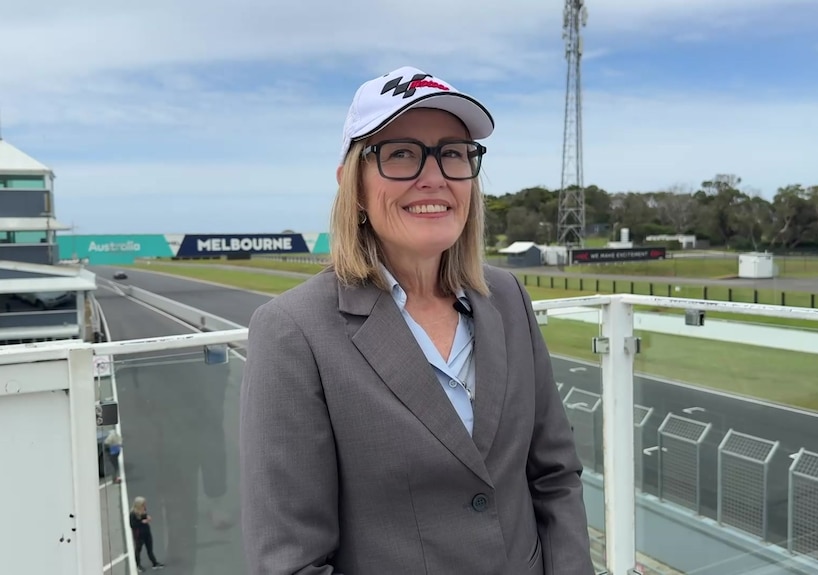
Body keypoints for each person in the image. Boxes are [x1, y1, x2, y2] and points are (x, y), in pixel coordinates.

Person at [240, 65, 594, 575]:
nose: (434, 177)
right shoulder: (293, 331)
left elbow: (555, 475)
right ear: (353, 184)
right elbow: (292, 561)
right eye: (401, 154)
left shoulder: (508, 298)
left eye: (453, 153)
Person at [129, 496, 166, 571]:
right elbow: (132, 524)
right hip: (139, 535)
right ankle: (138, 565)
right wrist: (142, 522)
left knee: (150, 549)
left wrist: (147, 517)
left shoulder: (143, 510)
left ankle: (154, 563)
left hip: (146, 532)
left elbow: (144, 516)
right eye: (143, 504)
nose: (145, 506)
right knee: (138, 550)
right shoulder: (133, 514)